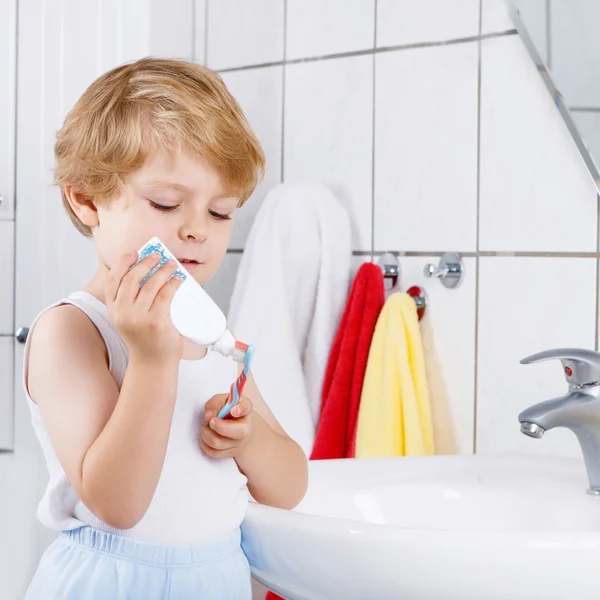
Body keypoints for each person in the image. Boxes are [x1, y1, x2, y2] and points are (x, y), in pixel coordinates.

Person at [23, 57, 308, 599]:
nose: (197, 229)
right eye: (166, 203)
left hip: (216, 579)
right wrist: (153, 363)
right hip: (111, 582)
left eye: (221, 213)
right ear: (86, 199)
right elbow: (118, 505)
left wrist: (249, 440)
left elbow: (290, 488)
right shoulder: (73, 332)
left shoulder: (214, 336)